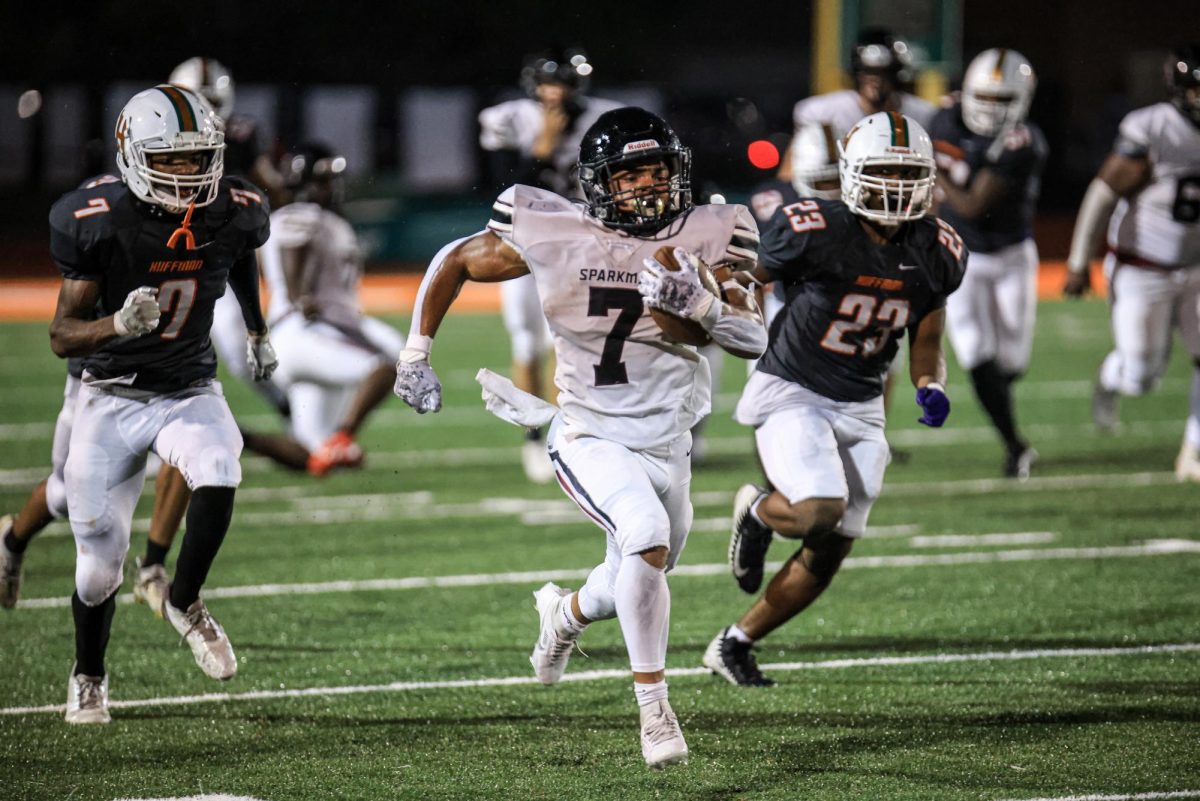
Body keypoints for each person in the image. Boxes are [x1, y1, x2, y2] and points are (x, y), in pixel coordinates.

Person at [394, 107, 766, 766]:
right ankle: (655, 709)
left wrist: (701, 306)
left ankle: (564, 613)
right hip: (587, 429)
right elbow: (455, 258)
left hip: (669, 437)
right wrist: (415, 351)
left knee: (638, 565)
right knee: (645, 535)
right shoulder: (554, 228)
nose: (647, 186)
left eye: (657, 171)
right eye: (629, 175)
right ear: (598, 183)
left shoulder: (712, 230)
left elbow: (752, 337)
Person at [703, 112, 966, 687]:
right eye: (881, 173)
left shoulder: (937, 248)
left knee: (831, 549)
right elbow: (745, 277)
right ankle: (756, 510)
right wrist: (720, 306)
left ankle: (735, 643)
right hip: (793, 387)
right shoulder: (814, 225)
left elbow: (927, 337)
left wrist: (931, 384)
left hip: (862, 403)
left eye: (907, 174)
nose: (895, 188)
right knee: (818, 508)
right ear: (851, 175)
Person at [48, 84, 275, 723]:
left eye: (197, 157)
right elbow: (62, 335)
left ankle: (185, 600)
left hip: (186, 388)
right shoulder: (96, 219)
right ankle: (88, 674)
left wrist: (256, 329)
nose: (188, 171)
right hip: (109, 395)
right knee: (98, 568)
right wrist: (116, 326)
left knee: (222, 466)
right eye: (170, 159)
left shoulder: (233, 209)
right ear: (132, 155)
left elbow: (239, 258)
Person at [479, 49, 623, 483]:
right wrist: (540, 148)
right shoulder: (510, 118)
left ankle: (582, 433)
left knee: (578, 339)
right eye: (547, 83)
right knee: (527, 342)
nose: (554, 93)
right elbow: (506, 191)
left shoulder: (604, 117)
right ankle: (533, 435)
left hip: (582, 240)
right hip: (524, 241)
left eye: (562, 83)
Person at [1064, 45, 1200, 482]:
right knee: (1141, 375)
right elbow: (1102, 194)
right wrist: (1078, 261)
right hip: (1143, 267)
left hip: (1197, 269)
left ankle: (1193, 453)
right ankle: (1111, 378)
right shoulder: (1153, 128)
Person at [240, 143, 404, 475]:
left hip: (305, 336)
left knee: (314, 456)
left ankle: (234, 436)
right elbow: (292, 247)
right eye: (326, 180)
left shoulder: (314, 218)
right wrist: (301, 294)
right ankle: (344, 436)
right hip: (304, 332)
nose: (334, 187)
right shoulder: (299, 214)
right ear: (307, 183)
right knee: (388, 367)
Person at [930, 48, 1046, 479]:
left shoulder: (1025, 142)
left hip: (1011, 255)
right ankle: (1015, 445)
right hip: (961, 256)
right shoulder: (940, 119)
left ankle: (1005, 417)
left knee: (1011, 363)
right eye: (985, 98)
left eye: (1003, 100)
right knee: (975, 351)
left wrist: (932, 173)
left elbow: (973, 204)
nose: (991, 109)